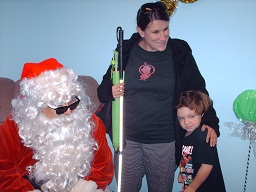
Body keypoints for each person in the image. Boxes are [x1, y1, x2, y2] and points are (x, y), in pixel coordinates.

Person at [97, 2, 219, 192]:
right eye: (155, 32)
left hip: (164, 142)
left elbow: (198, 89)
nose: (163, 37)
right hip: (127, 140)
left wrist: (211, 121)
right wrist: (109, 92)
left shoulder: (179, 52)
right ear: (141, 31)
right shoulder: (125, 51)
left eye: (166, 29)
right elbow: (103, 89)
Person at [0, 58, 114, 192]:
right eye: (60, 108)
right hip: (30, 185)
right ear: (37, 107)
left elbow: (103, 167)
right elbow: (4, 170)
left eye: (73, 103)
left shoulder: (90, 122)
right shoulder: (15, 125)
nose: (69, 112)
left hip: (81, 183)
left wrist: (84, 187)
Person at [176, 90, 226, 192]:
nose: (186, 122)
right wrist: (182, 172)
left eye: (191, 116)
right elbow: (187, 157)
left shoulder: (202, 136)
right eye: (181, 118)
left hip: (207, 187)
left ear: (202, 115)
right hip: (192, 183)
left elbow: (207, 166)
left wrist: (192, 187)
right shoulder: (185, 134)